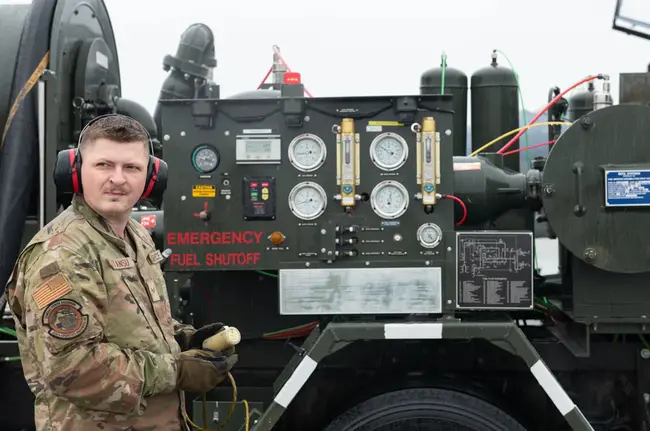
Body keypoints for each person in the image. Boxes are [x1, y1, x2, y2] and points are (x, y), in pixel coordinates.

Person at [4, 114, 237, 430]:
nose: (118, 179)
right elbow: (71, 367)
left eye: (132, 168)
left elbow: (134, 325)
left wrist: (185, 340)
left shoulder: (136, 235)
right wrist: (177, 371)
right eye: (104, 165)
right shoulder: (62, 252)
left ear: (151, 177)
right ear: (76, 172)